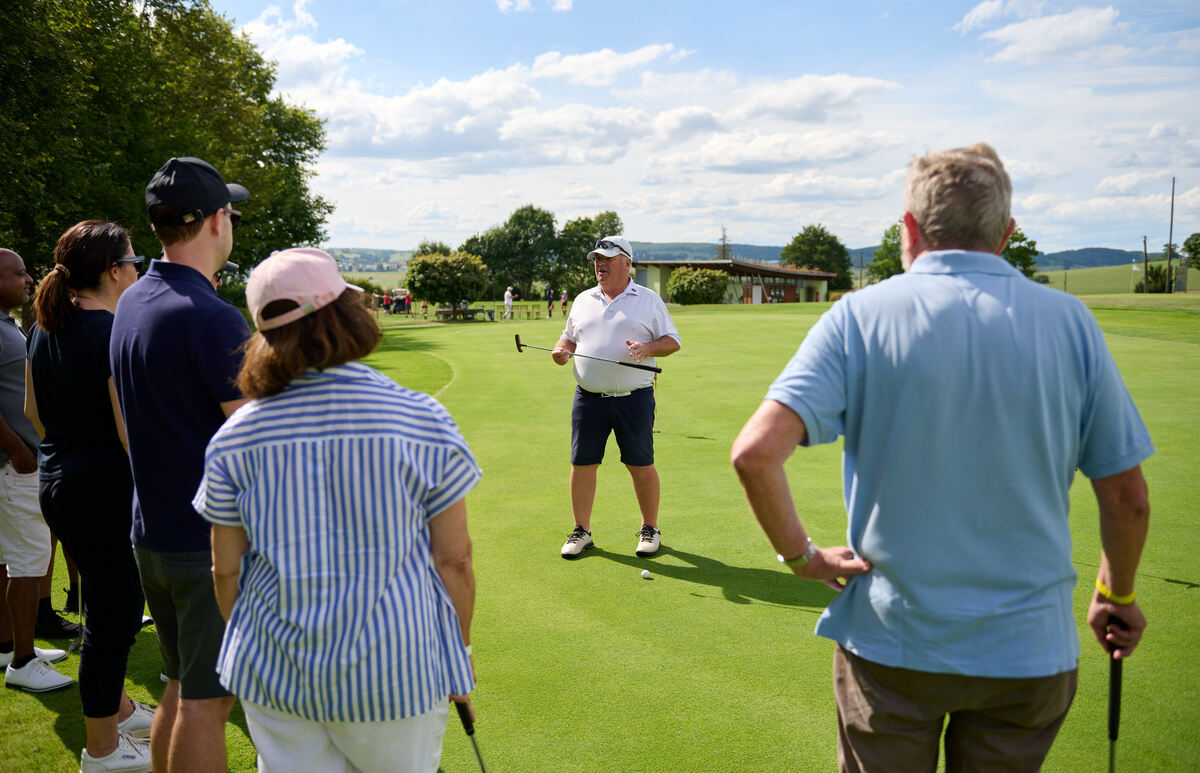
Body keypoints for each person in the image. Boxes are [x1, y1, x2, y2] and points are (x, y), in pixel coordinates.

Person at [730, 143, 1153, 772]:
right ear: (1007, 233)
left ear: (909, 229)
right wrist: (1113, 593)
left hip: (892, 645)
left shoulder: (859, 316)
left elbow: (755, 453)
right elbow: (1127, 498)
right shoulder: (1071, 322)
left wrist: (802, 557)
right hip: (1028, 651)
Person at [194, 247, 478, 772]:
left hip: (276, 676)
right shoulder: (419, 417)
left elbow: (225, 571)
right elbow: (453, 562)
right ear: (345, 312)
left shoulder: (235, 435)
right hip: (396, 673)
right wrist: (457, 656)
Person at [110, 156, 251, 773]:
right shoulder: (211, 316)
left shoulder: (134, 297)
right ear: (217, 220)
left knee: (179, 683)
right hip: (204, 544)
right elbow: (257, 437)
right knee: (207, 701)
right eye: (232, 213)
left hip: (154, 532)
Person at [26, 221, 154, 772]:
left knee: (107, 609)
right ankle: (102, 752)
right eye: (133, 259)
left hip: (59, 482)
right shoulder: (111, 330)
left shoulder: (44, 327)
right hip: (102, 487)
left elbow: (35, 416)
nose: (138, 268)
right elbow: (132, 434)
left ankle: (120, 711)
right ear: (112, 269)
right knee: (115, 618)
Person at [553, 236, 680, 559]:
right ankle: (582, 531)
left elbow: (673, 341)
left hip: (633, 398)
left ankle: (650, 528)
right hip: (589, 398)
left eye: (608, 258)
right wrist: (561, 352)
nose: (600, 264)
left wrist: (649, 349)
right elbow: (568, 338)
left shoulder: (648, 300)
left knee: (640, 464)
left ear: (627, 263)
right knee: (582, 464)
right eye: (597, 259)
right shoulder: (583, 300)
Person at [0, 247, 74, 694]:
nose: (28, 279)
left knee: (10, 561)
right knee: (28, 562)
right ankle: (24, 662)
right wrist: (16, 446)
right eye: (18, 273)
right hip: (17, 462)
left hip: (16, 460)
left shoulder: (8, 324)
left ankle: (8, 645)